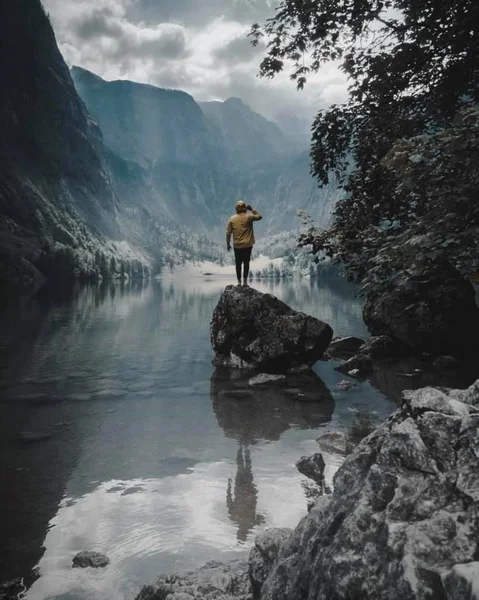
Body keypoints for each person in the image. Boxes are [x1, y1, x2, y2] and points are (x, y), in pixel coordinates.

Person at [226, 200, 262, 285]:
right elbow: (259, 216)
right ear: (245, 208)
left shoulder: (232, 219)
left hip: (237, 245)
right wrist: (252, 209)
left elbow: (228, 233)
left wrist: (228, 244)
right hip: (247, 245)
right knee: (246, 263)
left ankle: (239, 281)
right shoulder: (249, 217)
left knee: (238, 263)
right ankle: (245, 281)